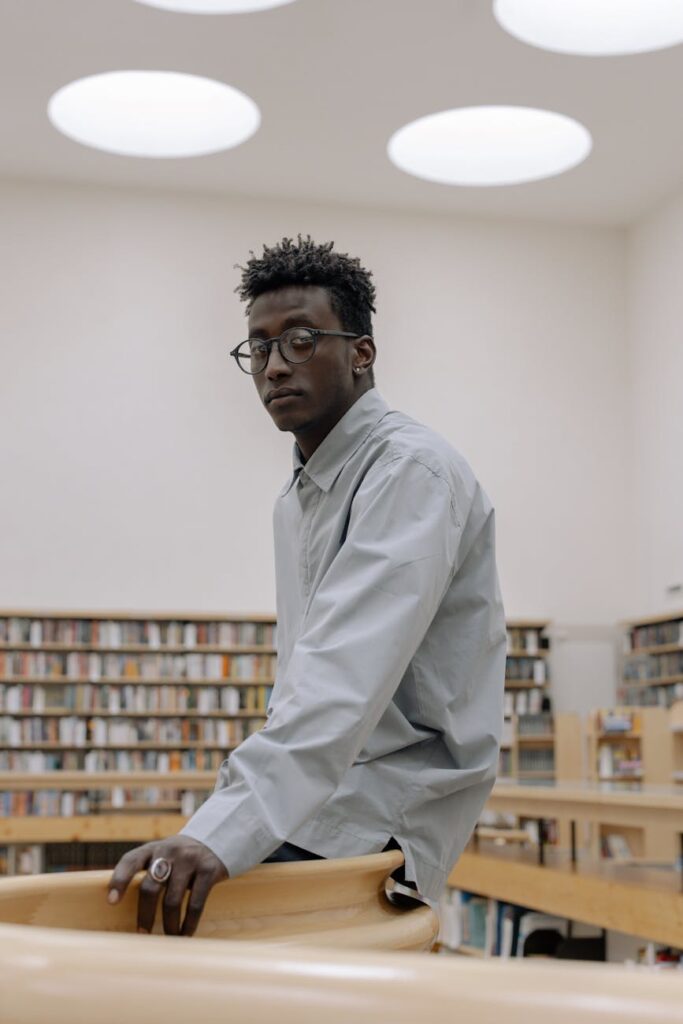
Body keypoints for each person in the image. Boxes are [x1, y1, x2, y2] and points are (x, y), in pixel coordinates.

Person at [107, 235, 506, 936]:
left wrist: (222, 830)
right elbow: (306, 682)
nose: (273, 366)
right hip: (320, 801)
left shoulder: (408, 471)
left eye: (298, 340)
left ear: (361, 352)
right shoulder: (298, 495)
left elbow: (339, 681)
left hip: (380, 814)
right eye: (257, 348)